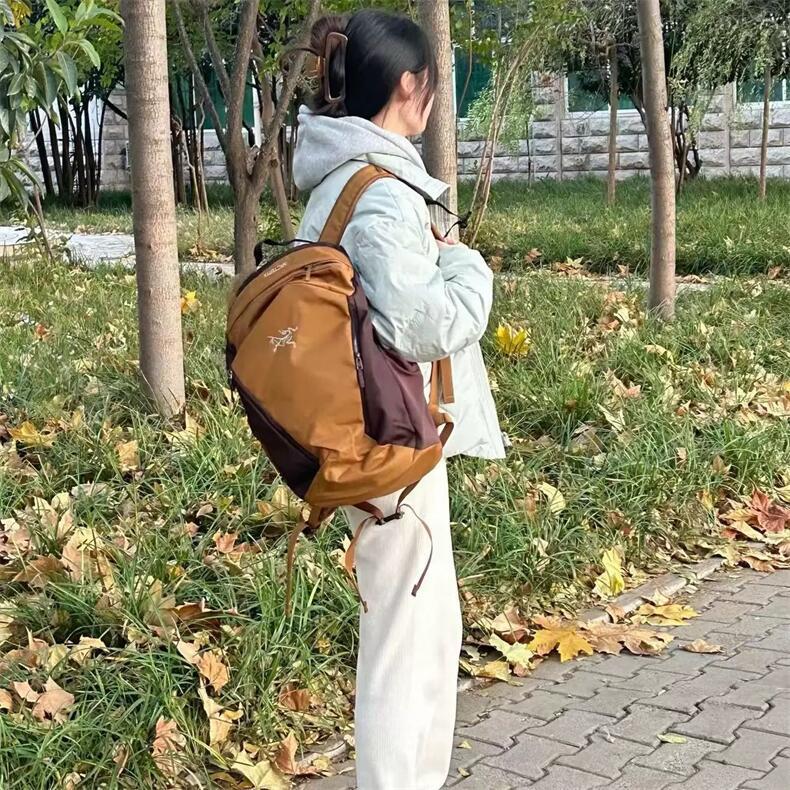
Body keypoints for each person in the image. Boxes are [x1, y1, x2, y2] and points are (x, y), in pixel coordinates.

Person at [293, 10, 505, 789]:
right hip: (392, 440)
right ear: (411, 86)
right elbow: (426, 325)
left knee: (424, 626)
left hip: (376, 431)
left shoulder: (343, 179)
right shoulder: (379, 194)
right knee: (403, 637)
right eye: (432, 86)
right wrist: (468, 265)